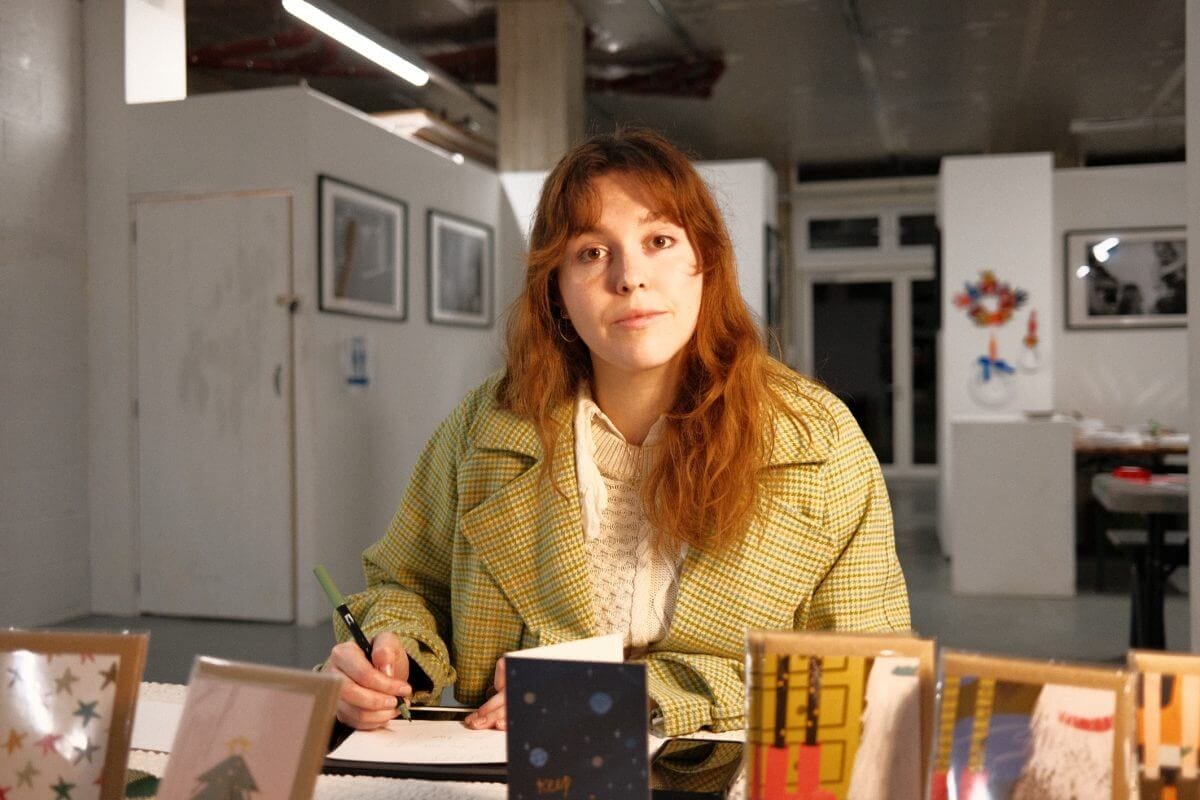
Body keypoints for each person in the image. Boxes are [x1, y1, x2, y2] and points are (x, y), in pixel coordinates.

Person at [324, 129, 910, 737]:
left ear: (705, 262)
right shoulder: (485, 427)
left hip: (720, 771)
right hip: (515, 767)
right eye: (591, 253)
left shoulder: (814, 440)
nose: (630, 277)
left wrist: (632, 697)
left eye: (659, 241)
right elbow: (405, 584)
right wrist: (391, 650)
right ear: (556, 290)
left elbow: (870, 666)